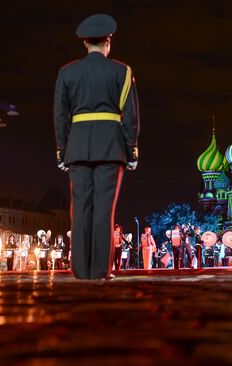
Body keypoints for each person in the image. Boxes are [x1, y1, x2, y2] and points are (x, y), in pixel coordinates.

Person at [54, 14, 140, 280]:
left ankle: (80, 270)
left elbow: (59, 115)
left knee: (80, 209)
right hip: (111, 147)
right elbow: (131, 115)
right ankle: (100, 270)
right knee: (104, 208)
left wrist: (62, 150)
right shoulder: (122, 72)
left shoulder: (67, 72)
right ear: (108, 42)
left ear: (85, 44)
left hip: (77, 147)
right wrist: (131, 149)